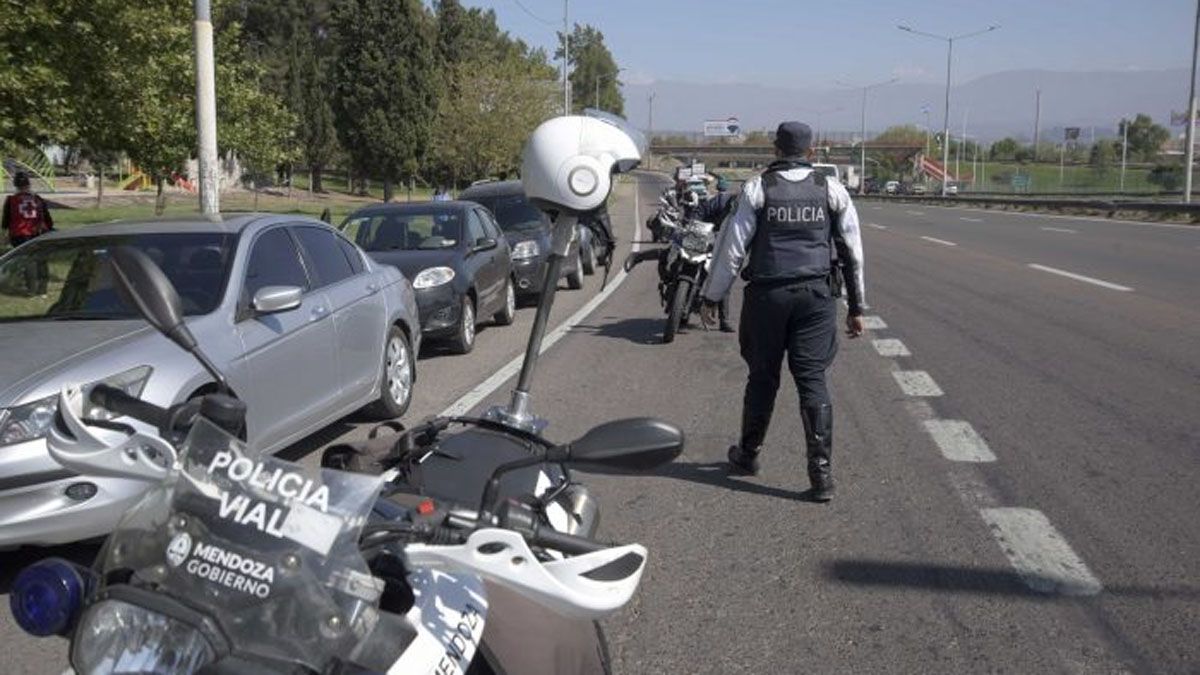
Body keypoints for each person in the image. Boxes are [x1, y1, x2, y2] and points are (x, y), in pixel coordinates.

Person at [699, 121, 865, 502]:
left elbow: (731, 249)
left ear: (776, 150)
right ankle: (821, 476)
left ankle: (748, 455)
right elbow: (852, 252)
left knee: (762, 378)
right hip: (816, 298)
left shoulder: (758, 189)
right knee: (812, 380)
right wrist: (857, 308)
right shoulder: (831, 190)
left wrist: (712, 296)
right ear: (810, 153)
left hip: (767, 298)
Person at [695, 177, 738, 332]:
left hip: (715, 245)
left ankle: (724, 320)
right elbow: (698, 214)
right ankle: (723, 321)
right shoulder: (725, 201)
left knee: (717, 278)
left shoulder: (713, 201)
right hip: (711, 241)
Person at [3, 171, 55, 295]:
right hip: (38, 233)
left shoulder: (11, 200)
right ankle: (43, 290)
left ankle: (31, 289)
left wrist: (4, 236)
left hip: (19, 235)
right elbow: (48, 221)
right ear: (29, 184)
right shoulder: (38, 199)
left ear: (15, 185)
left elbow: (6, 221)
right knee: (41, 260)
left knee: (27, 261)